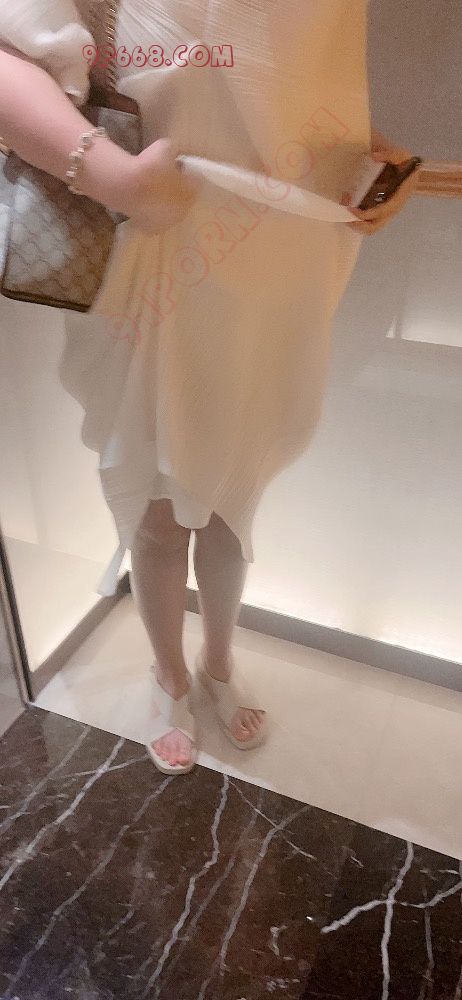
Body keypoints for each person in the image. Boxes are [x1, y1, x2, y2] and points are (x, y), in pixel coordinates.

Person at [0, 0, 419, 775]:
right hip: (156, 239)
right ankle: (170, 675)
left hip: (278, 247)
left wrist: (360, 151)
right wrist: (112, 176)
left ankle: (218, 664)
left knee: (233, 495)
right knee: (159, 502)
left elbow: (303, 65)